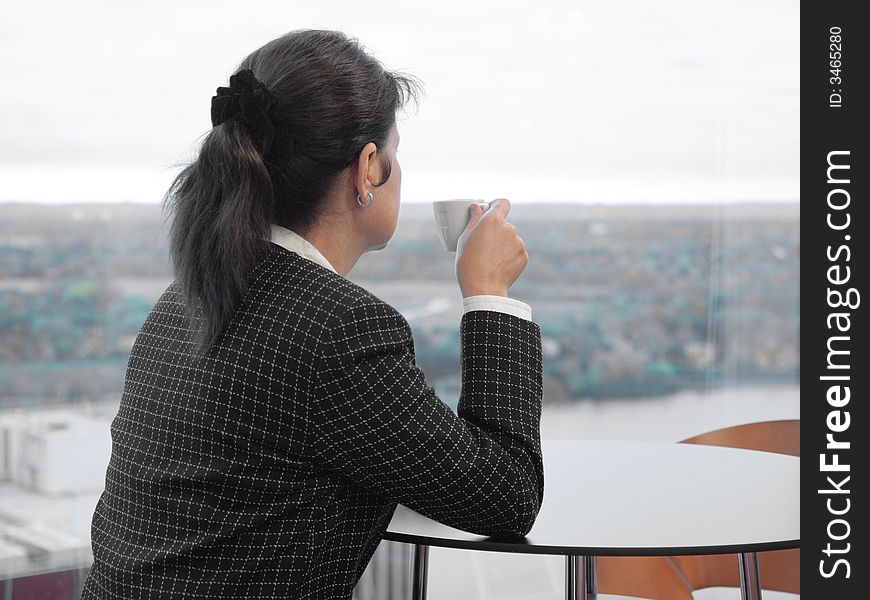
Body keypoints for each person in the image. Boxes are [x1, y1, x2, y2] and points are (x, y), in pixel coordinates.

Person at [80, 28, 543, 600]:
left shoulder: (184, 298)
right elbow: (509, 495)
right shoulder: (337, 330)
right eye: (395, 155)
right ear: (368, 168)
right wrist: (489, 294)